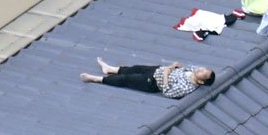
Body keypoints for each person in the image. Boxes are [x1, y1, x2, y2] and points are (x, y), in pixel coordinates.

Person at [80, 57, 214, 98]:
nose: (200, 69)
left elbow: (168, 92)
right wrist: (176, 66)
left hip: (154, 82)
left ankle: (96, 79)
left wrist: (167, 74)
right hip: (157, 70)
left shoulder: (187, 87)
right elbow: (186, 67)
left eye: (203, 72)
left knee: (127, 79)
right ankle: (110, 69)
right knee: (135, 68)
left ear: (201, 81)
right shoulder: (193, 70)